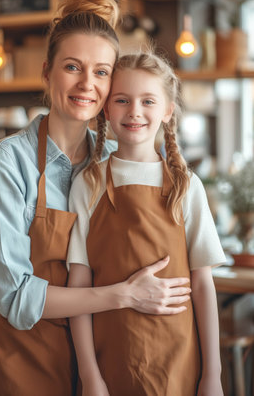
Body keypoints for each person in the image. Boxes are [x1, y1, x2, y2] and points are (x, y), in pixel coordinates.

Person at [0, 0, 192, 396]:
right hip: (30, 361)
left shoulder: (116, 160)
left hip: (105, 358)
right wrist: (124, 296)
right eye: (73, 67)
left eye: (101, 71)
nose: (87, 84)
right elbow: (17, 299)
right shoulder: (8, 163)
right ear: (47, 72)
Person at [67, 51, 227, 396]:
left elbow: (202, 286)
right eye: (122, 100)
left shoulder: (186, 186)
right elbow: (78, 286)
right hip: (110, 363)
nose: (134, 111)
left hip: (180, 363)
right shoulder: (89, 183)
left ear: (168, 110)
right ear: (106, 109)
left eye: (148, 101)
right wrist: (90, 376)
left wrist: (211, 376)